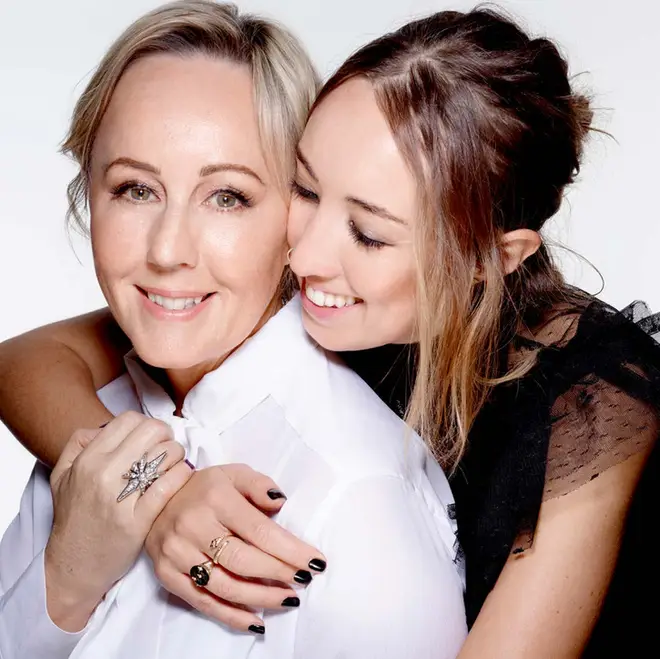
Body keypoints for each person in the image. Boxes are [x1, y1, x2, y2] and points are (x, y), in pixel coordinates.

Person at [2, 4, 659, 658]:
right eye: (307, 191)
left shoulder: (588, 406)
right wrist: (156, 493)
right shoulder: (262, 310)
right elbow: (26, 361)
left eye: (370, 234)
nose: (306, 257)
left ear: (495, 257)